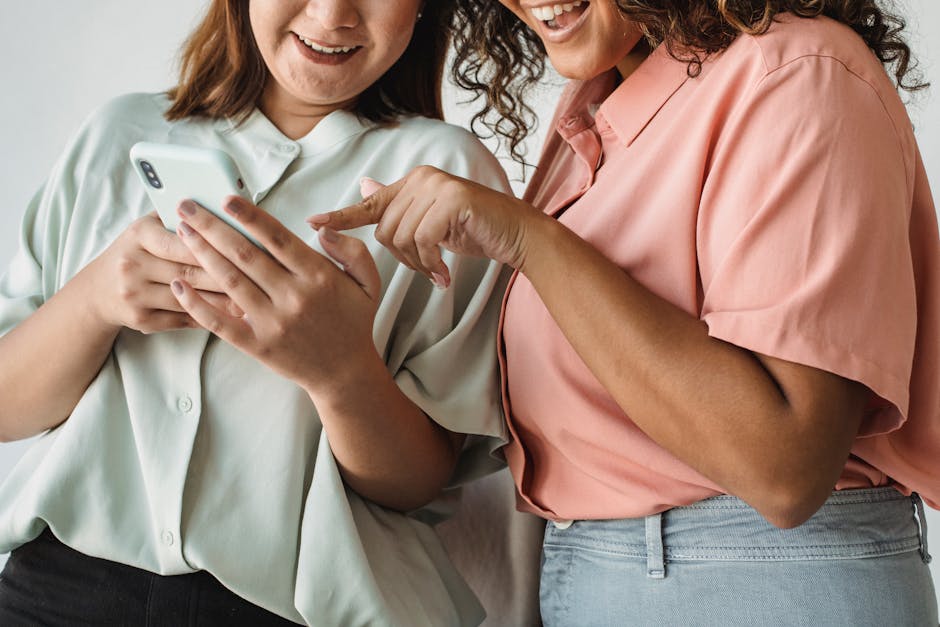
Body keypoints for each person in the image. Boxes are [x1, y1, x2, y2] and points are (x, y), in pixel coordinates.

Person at [309, 0, 940, 623]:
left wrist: (531, 241)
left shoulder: (797, 70)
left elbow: (786, 471)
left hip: (758, 582)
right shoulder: (599, 102)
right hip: (602, 575)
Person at [0, 1, 514, 625]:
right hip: (53, 588)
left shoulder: (449, 181)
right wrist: (93, 300)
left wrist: (342, 372)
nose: (332, 14)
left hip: (287, 608)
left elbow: (417, 485)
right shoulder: (118, 134)